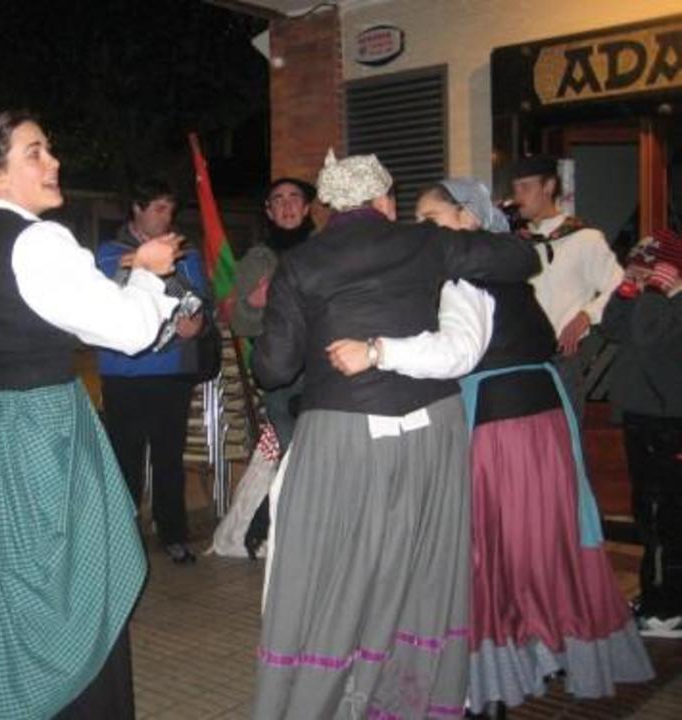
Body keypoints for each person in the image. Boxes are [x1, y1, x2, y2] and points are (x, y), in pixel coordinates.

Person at [0, 111, 181, 719]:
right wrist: (149, 274)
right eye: (35, 152)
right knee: (61, 589)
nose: (53, 162)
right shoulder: (42, 240)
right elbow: (130, 331)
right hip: (33, 430)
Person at [251, 151, 540, 720]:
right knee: (417, 567)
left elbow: (273, 369)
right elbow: (520, 257)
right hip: (431, 428)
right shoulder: (425, 242)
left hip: (344, 433)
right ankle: (405, 699)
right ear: (384, 199)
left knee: (334, 571)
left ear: (328, 206)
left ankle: (322, 701)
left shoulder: (301, 263)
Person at [356, 179, 650, 718]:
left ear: (469, 217)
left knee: (495, 545)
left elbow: (456, 352)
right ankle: (550, 649)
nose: (423, 229)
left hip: (500, 421)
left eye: (432, 217)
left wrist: (378, 352)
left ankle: (495, 677)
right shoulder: (503, 268)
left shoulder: (468, 275)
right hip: (537, 413)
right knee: (542, 539)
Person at [96, 178, 213, 564]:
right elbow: (103, 303)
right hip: (123, 370)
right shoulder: (109, 254)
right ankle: (123, 538)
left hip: (170, 370)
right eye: (159, 208)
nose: (167, 216)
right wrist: (138, 264)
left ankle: (173, 533)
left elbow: (201, 304)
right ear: (137, 208)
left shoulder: (185, 253)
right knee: (124, 458)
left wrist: (198, 324)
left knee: (169, 457)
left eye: (170, 209)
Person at [602, 229, 682, 639]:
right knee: (648, 512)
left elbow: (651, 334)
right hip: (641, 417)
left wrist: (654, 292)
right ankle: (657, 595)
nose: (641, 271)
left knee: (663, 515)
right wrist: (626, 291)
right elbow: (612, 329)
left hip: (668, 423)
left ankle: (666, 610)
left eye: (648, 266)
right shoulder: (652, 298)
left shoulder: (671, 302)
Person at [231, 177, 316, 558]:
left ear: (307, 207)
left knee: (325, 451)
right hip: (282, 376)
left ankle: (286, 529)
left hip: (328, 370)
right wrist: (254, 302)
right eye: (277, 200)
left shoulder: (327, 249)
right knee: (295, 453)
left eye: (294, 198)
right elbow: (240, 323)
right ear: (268, 211)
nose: (287, 205)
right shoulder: (257, 260)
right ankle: (275, 531)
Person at [511, 155, 623, 423]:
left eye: (525, 187)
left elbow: (618, 286)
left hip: (562, 360)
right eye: (515, 189)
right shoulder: (515, 243)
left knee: (567, 437)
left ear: (548, 186)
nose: (517, 197)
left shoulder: (585, 239)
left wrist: (586, 315)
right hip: (518, 360)